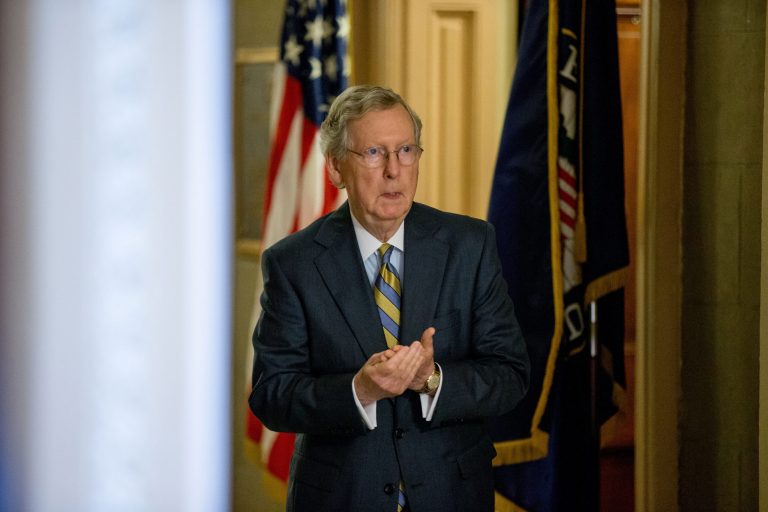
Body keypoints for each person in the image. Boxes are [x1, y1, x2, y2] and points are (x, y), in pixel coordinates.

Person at [249, 85, 530, 512]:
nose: (394, 170)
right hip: (341, 499)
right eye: (375, 153)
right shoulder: (294, 263)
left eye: (406, 151)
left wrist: (431, 379)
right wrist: (358, 390)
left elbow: (510, 374)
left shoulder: (469, 245)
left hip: (451, 496)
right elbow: (272, 394)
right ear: (336, 168)